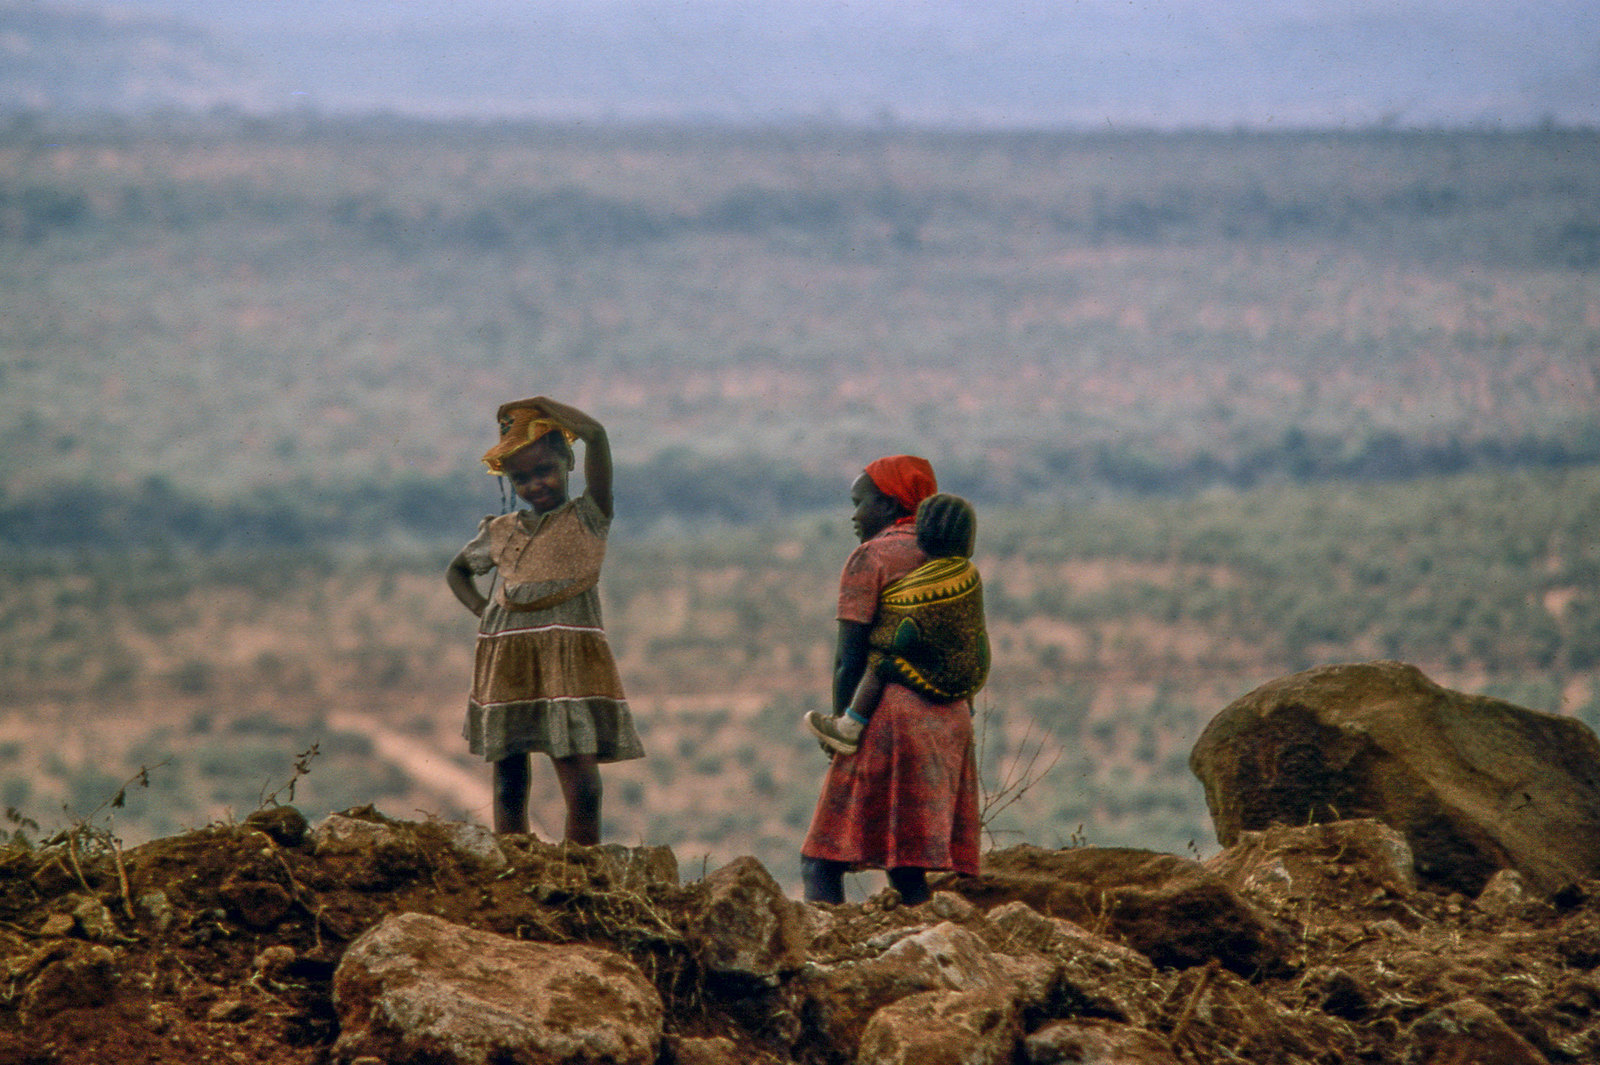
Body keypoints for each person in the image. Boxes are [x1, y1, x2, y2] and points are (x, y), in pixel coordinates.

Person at [446, 396, 643, 842]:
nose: (536, 484)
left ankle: (581, 872)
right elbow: (456, 571)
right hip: (508, 660)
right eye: (522, 478)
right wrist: (483, 611)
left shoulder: (590, 516)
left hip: (568, 664)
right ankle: (514, 861)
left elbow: (598, 435)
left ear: (568, 460)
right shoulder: (500, 531)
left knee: (584, 787)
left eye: (545, 470)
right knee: (510, 778)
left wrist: (540, 405)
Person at [799, 456, 984, 906]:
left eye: (859, 503)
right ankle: (938, 951)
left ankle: (825, 960)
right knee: (906, 866)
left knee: (820, 859)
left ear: (889, 504)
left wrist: (844, 727)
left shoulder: (871, 557)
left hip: (889, 718)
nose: (853, 515)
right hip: (951, 717)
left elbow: (850, 658)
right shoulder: (950, 557)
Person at [808, 492, 990, 753]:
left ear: (923, 538)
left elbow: (892, 635)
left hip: (932, 680)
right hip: (969, 679)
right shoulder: (970, 576)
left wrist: (879, 639)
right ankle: (968, 715)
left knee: (880, 662)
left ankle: (849, 726)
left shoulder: (916, 586)